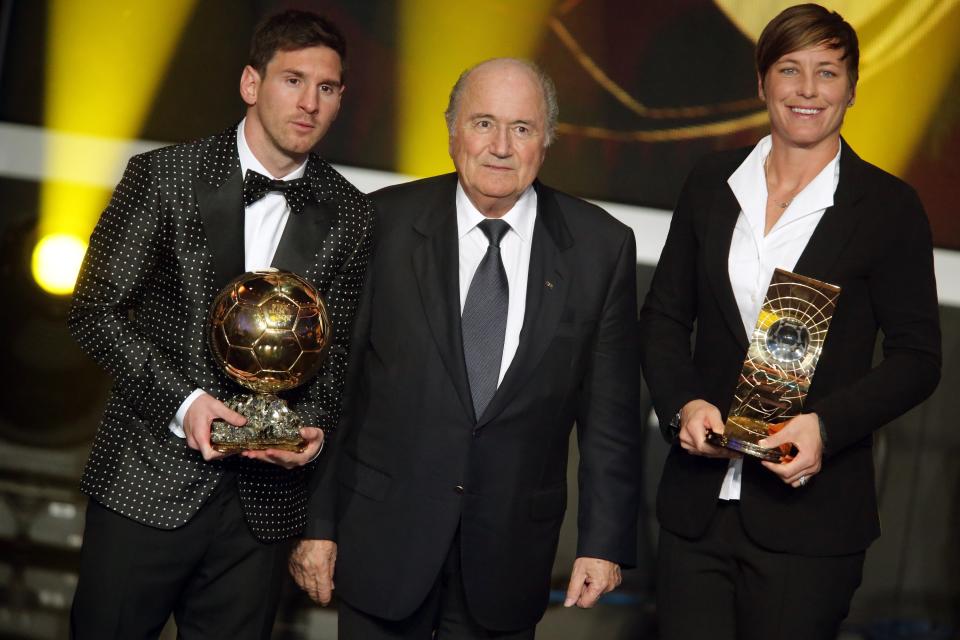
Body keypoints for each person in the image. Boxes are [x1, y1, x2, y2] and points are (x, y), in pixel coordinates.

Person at [289, 57, 642, 638]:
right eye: (483, 123)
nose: (501, 146)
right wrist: (317, 525)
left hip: (509, 554)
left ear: (546, 141)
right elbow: (336, 390)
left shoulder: (601, 246)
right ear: (452, 132)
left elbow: (611, 416)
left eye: (522, 128)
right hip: (383, 543)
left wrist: (602, 543)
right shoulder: (381, 224)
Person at [67, 10, 373, 639]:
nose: (310, 103)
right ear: (251, 83)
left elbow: (336, 356)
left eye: (328, 88)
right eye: (293, 80)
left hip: (261, 511)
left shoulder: (351, 216)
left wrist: (309, 430)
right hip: (146, 483)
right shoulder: (164, 177)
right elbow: (94, 311)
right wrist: (186, 403)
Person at [639, 4, 941, 639]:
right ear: (761, 82)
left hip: (810, 522)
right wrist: (683, 404)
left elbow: (918, 359)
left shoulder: (887, 207)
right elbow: (664, 318)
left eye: (827, 72)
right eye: (790, 69)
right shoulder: (710, 181)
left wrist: (825, 428)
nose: (808, 90)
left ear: (852, 89)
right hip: (697, 508)